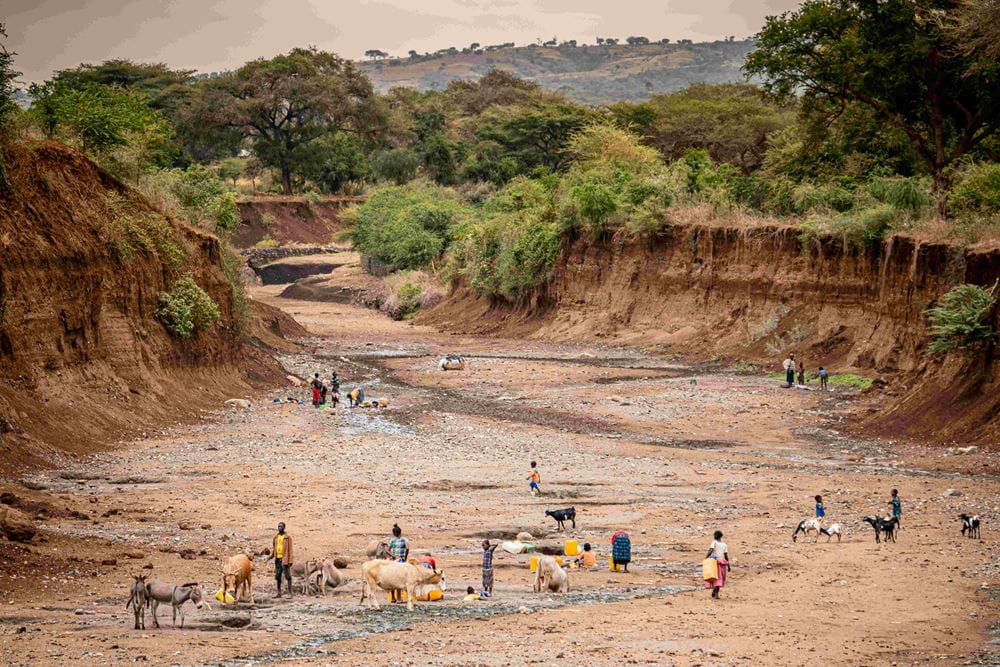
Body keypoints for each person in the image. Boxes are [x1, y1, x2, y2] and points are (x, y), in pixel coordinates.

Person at [705, 530, 730, 599]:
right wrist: (728, 565)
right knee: (720, 578)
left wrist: (706, 558)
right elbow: (726, 555)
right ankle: (716, 594)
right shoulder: (724, 544)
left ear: (715, 536)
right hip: (723, 563)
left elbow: (710, 550)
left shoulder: (714, 542)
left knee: (715, 577)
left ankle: (714, 590)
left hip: (715, 562)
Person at [273, 522, 294, 598]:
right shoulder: (276, 537)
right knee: (278, 576)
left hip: (285, 559)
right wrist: (271, 556)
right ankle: (279, 593)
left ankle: (290, 593)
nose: (279, 528)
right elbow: (274, 548)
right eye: (278, 526)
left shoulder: (288, 538)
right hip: (277, 559)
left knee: (288, 576)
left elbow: (290, 550)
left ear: (284, 527)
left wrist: (290, 560)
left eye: (281, 526)